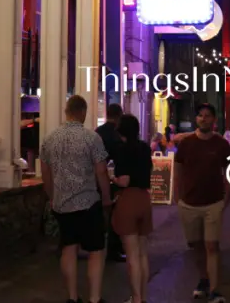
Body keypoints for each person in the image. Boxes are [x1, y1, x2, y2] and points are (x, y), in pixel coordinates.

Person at [40, 95, 113, 303]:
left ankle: (72, 298)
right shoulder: (92, 138)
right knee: (96, 251)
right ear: (82, 112)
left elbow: (46, 172)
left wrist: (52, 197)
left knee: (68, 248)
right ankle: (94, 298)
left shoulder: (50, 138)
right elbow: (101, 171)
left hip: (62, 204)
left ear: (66, 112)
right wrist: (106, 198)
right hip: (88, 202)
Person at [174, 103, 230, 303]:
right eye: (200, 116)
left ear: (214, 119)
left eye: (207, 116)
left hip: (213, 202)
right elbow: (178, 169)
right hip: (189, 203)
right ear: (196, 119)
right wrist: (178, 196)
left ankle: (215, 289)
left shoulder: (221, 144)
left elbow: (228, 173)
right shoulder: (187, 143)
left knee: (212, 245)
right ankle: (203, 279)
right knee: (196, 245)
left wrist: (226, 197)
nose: (204, 119)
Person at [113, 114, 154, 303]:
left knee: (132, 257)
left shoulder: (121, 150)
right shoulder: (145, 148)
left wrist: (111, 178)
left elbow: (124, 179)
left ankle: (136, 299)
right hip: (145, 199)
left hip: (128, 199)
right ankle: (143, 296)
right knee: (143, 253)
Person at [96, 103, 126, 262]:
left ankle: (96, 246)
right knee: (114, 214)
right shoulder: (116, 136)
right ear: (119, 116)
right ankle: (113, 250)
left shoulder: (97, 132)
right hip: (106, 179)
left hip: (90, 178)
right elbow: (119, 162)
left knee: (95, 214)